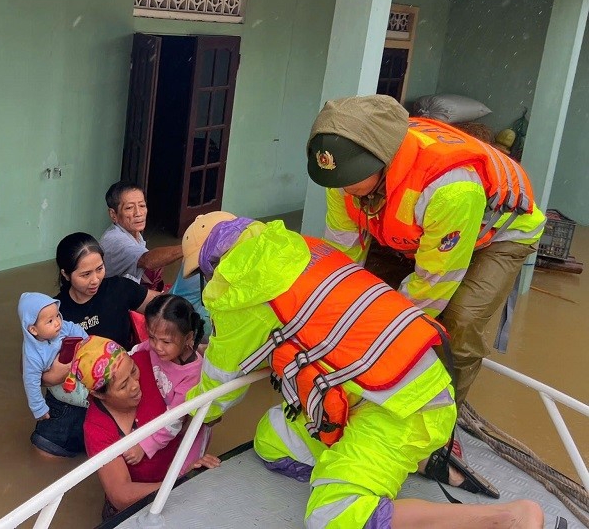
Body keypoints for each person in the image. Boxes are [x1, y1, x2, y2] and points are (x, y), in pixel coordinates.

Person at [183, 213, 545, 529]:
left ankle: (507, 519)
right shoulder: (301, 247)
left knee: (332, 517)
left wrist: (189, 418)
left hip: (400, 409)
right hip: (403, 380)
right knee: (271, 437)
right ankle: (384, 466)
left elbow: (220, 382)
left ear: (212, 266)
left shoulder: (237, 293)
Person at [306, 95, 545, 406]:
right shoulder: (343, 177)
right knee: (365, 299)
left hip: (498, 234)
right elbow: (342, 252)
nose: (344, 188)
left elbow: (434, 283)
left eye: (352, 180)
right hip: (420, 229)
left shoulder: (449, 188)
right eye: (339, 180)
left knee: (458, 324)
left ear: (383, 158)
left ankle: (443, 417)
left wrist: (388, 333)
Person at [30, 233, 161, 458]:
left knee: (138, 450)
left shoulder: (119, 288)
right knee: (46, 452)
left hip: (120, 386)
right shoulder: (54, 313)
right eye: (85, 274)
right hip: (74, 395)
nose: (95, 280)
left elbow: (161, 307)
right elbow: (36, 372)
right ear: (66, 274)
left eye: (99, 269)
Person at [65, 336, 221, 521]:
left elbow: (191, 373)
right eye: (123, 385)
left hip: (179, 477)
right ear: (99, 394)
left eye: (133, 371)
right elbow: (121, 494)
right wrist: (180, 483)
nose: (135, 385)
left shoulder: (149, 361)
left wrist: (210, 415)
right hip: (141, 505)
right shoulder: (97, 428)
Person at [125, 294, 211, 469]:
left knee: (182, 471)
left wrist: (145, 446)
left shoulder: (193, 373)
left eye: (166, 341)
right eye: (152, 337)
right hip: (158, 417)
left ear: (188, 338)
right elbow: (131, 356)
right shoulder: (153, 347)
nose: (157, 346)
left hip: (185, 428)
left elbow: (176, 420)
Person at [17, 292, 88, 422]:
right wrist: (39, 408)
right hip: (59, 386)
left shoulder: (63, 327)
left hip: (75, 369)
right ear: (33, 330)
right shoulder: (33, 355)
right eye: (50, 321)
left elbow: (74, 328)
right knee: (87, 397)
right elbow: (31, 382)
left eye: (57, 316)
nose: (57, 323)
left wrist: (87, 342)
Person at [99, 181, 183, 289]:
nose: (138, 213)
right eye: (129, 208)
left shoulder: (135, 234)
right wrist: (189, 246)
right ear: (113, 214)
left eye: (142, 205)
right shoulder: (114, 240)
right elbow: (147, 261)